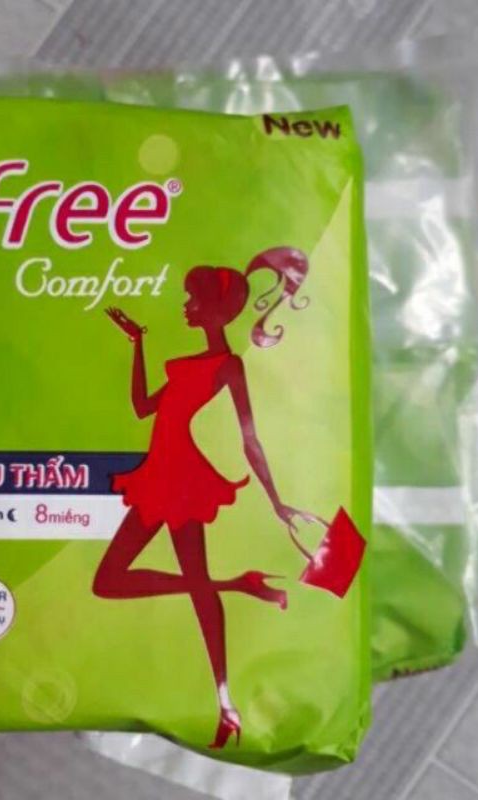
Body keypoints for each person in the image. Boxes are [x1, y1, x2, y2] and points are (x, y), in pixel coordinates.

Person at [94, 247, 319, 749]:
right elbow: (142, 408)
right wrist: (137, 344)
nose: (186, 306)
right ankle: (237, 584)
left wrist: (276, 501)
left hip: (182, 479)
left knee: (196, 588)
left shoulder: (228, 365)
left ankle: (225, 703)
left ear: (215, 310)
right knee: (109, 581)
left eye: (193, 300)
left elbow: (249, 438)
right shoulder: (188, 365)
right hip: (158, 474)